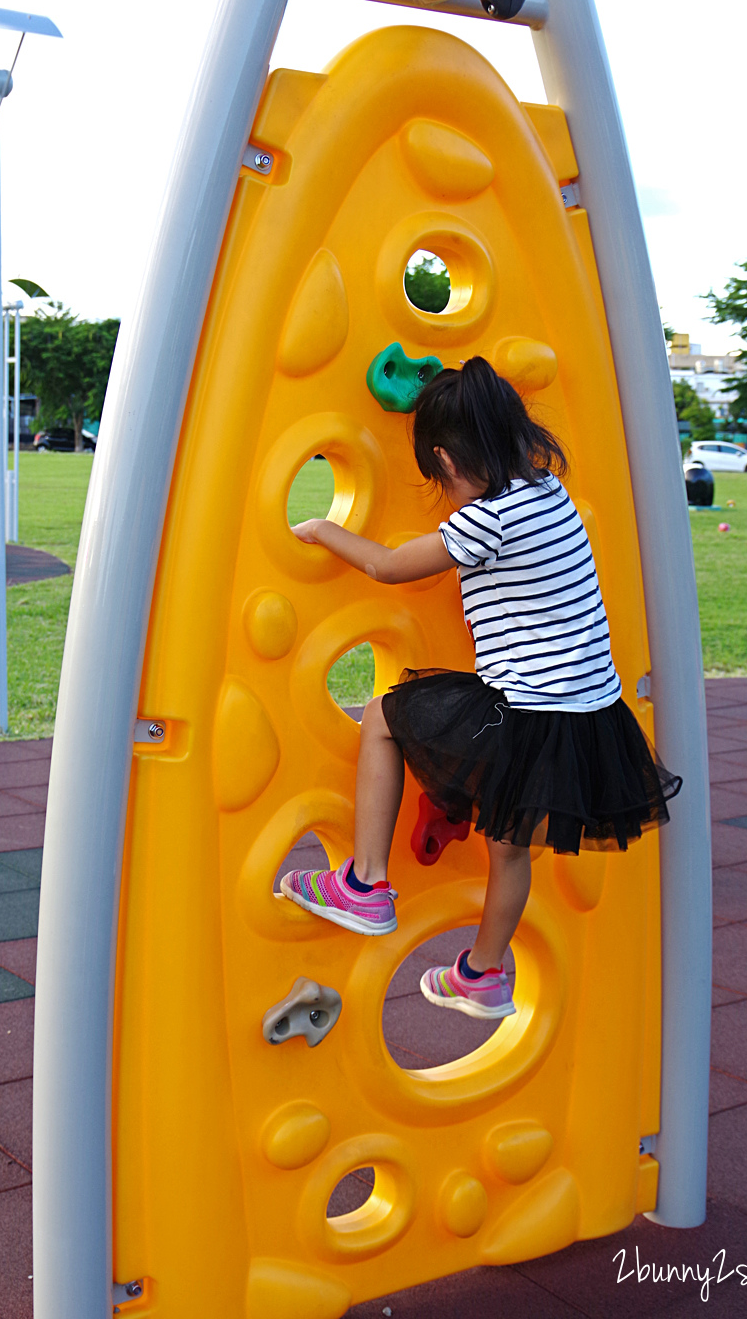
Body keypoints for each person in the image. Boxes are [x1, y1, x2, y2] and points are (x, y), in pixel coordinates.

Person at [281, 357, 680, 1021]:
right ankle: (484, 973)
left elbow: (386, 567)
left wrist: (324, 530)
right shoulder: (547, 492)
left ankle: (365, 884)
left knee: (384, 713)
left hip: (523, 714)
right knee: (510, 844)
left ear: (445, 459)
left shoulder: (484, 522)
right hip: (588, 716)